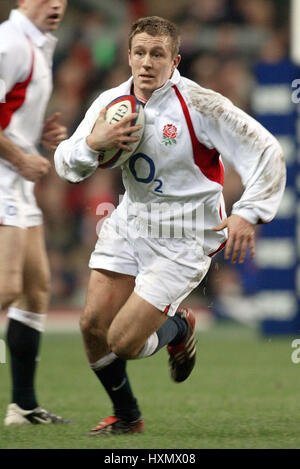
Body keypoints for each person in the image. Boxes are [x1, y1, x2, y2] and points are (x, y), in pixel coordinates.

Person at [55, 16, 286, 435]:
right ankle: (127, 417)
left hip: (186, 236)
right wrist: (93, 143)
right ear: (128, 55)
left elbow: (267, 150)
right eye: (139, 52)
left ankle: (179, 326)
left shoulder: (200, 104)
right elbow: (67, 164)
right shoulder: (111, 102)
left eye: (157, 54)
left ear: (174, 60)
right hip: (132, 221)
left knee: (123, 342)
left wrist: (248, 212)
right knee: (92, 325)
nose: (146, 62)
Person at [0, 0, 69, 425]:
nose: (57, 3)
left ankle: (23, 407)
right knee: (7, 288)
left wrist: (38, 133)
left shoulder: (37, 44)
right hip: (3, 176)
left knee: (36, 288)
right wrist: (21, 158)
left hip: (17, 183)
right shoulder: (9, 42)